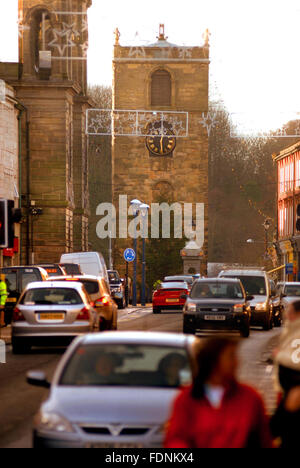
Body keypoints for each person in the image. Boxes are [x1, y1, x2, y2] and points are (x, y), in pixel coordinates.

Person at [165, 337, 273, 448]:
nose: (237, 362)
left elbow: (264, 440)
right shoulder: (187, 399)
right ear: (213, 361)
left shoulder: (250, 397)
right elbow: (176, 438)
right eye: (231, 356)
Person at [270, 300, 300, 448]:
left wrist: (280, 355)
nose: (287, 316)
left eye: (291, 312)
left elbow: (295, 362)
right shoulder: (291, 331)